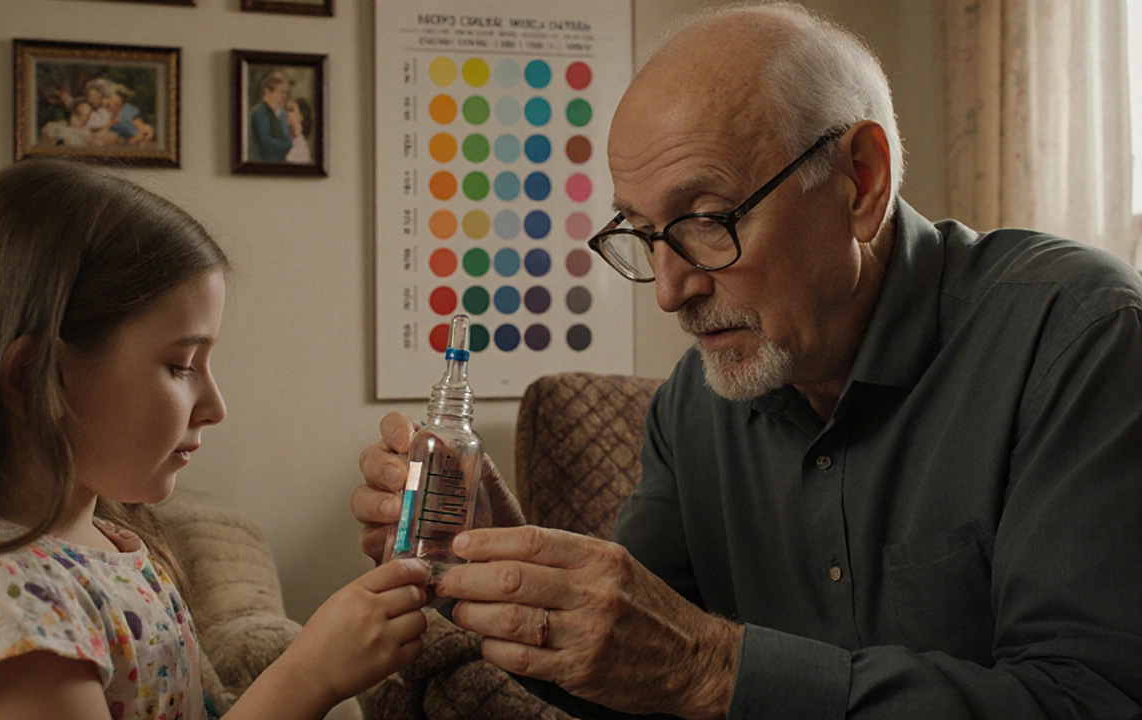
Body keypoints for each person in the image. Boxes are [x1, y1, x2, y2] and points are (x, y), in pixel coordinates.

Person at [353, 2, 1142, 718]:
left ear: (861, 182)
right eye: (644, 235)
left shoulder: (1079, 337)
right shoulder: (693, 406)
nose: (671, 291)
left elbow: (1093, 699)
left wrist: (712, 669)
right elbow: (629, 674)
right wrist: (496, 566)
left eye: (707, 219)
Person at [0, 159, 431, 720]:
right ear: (36, 378)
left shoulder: (107, 544)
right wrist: (308, 677)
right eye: (181, 366)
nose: (216, 408)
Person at [249, 72, 294, 163]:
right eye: (281, 92)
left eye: (286, 93)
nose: (284, 97)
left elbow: (288, 140)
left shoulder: (281, 114)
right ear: (267, 92)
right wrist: (287, 145)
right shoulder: (259, 113)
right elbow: (267, 144)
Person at [284, 98, 313, 164]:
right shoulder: (287, 137)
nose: (287, 113)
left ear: (301, 117)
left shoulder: (300, 145)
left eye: (291, 110)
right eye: (286, 110)